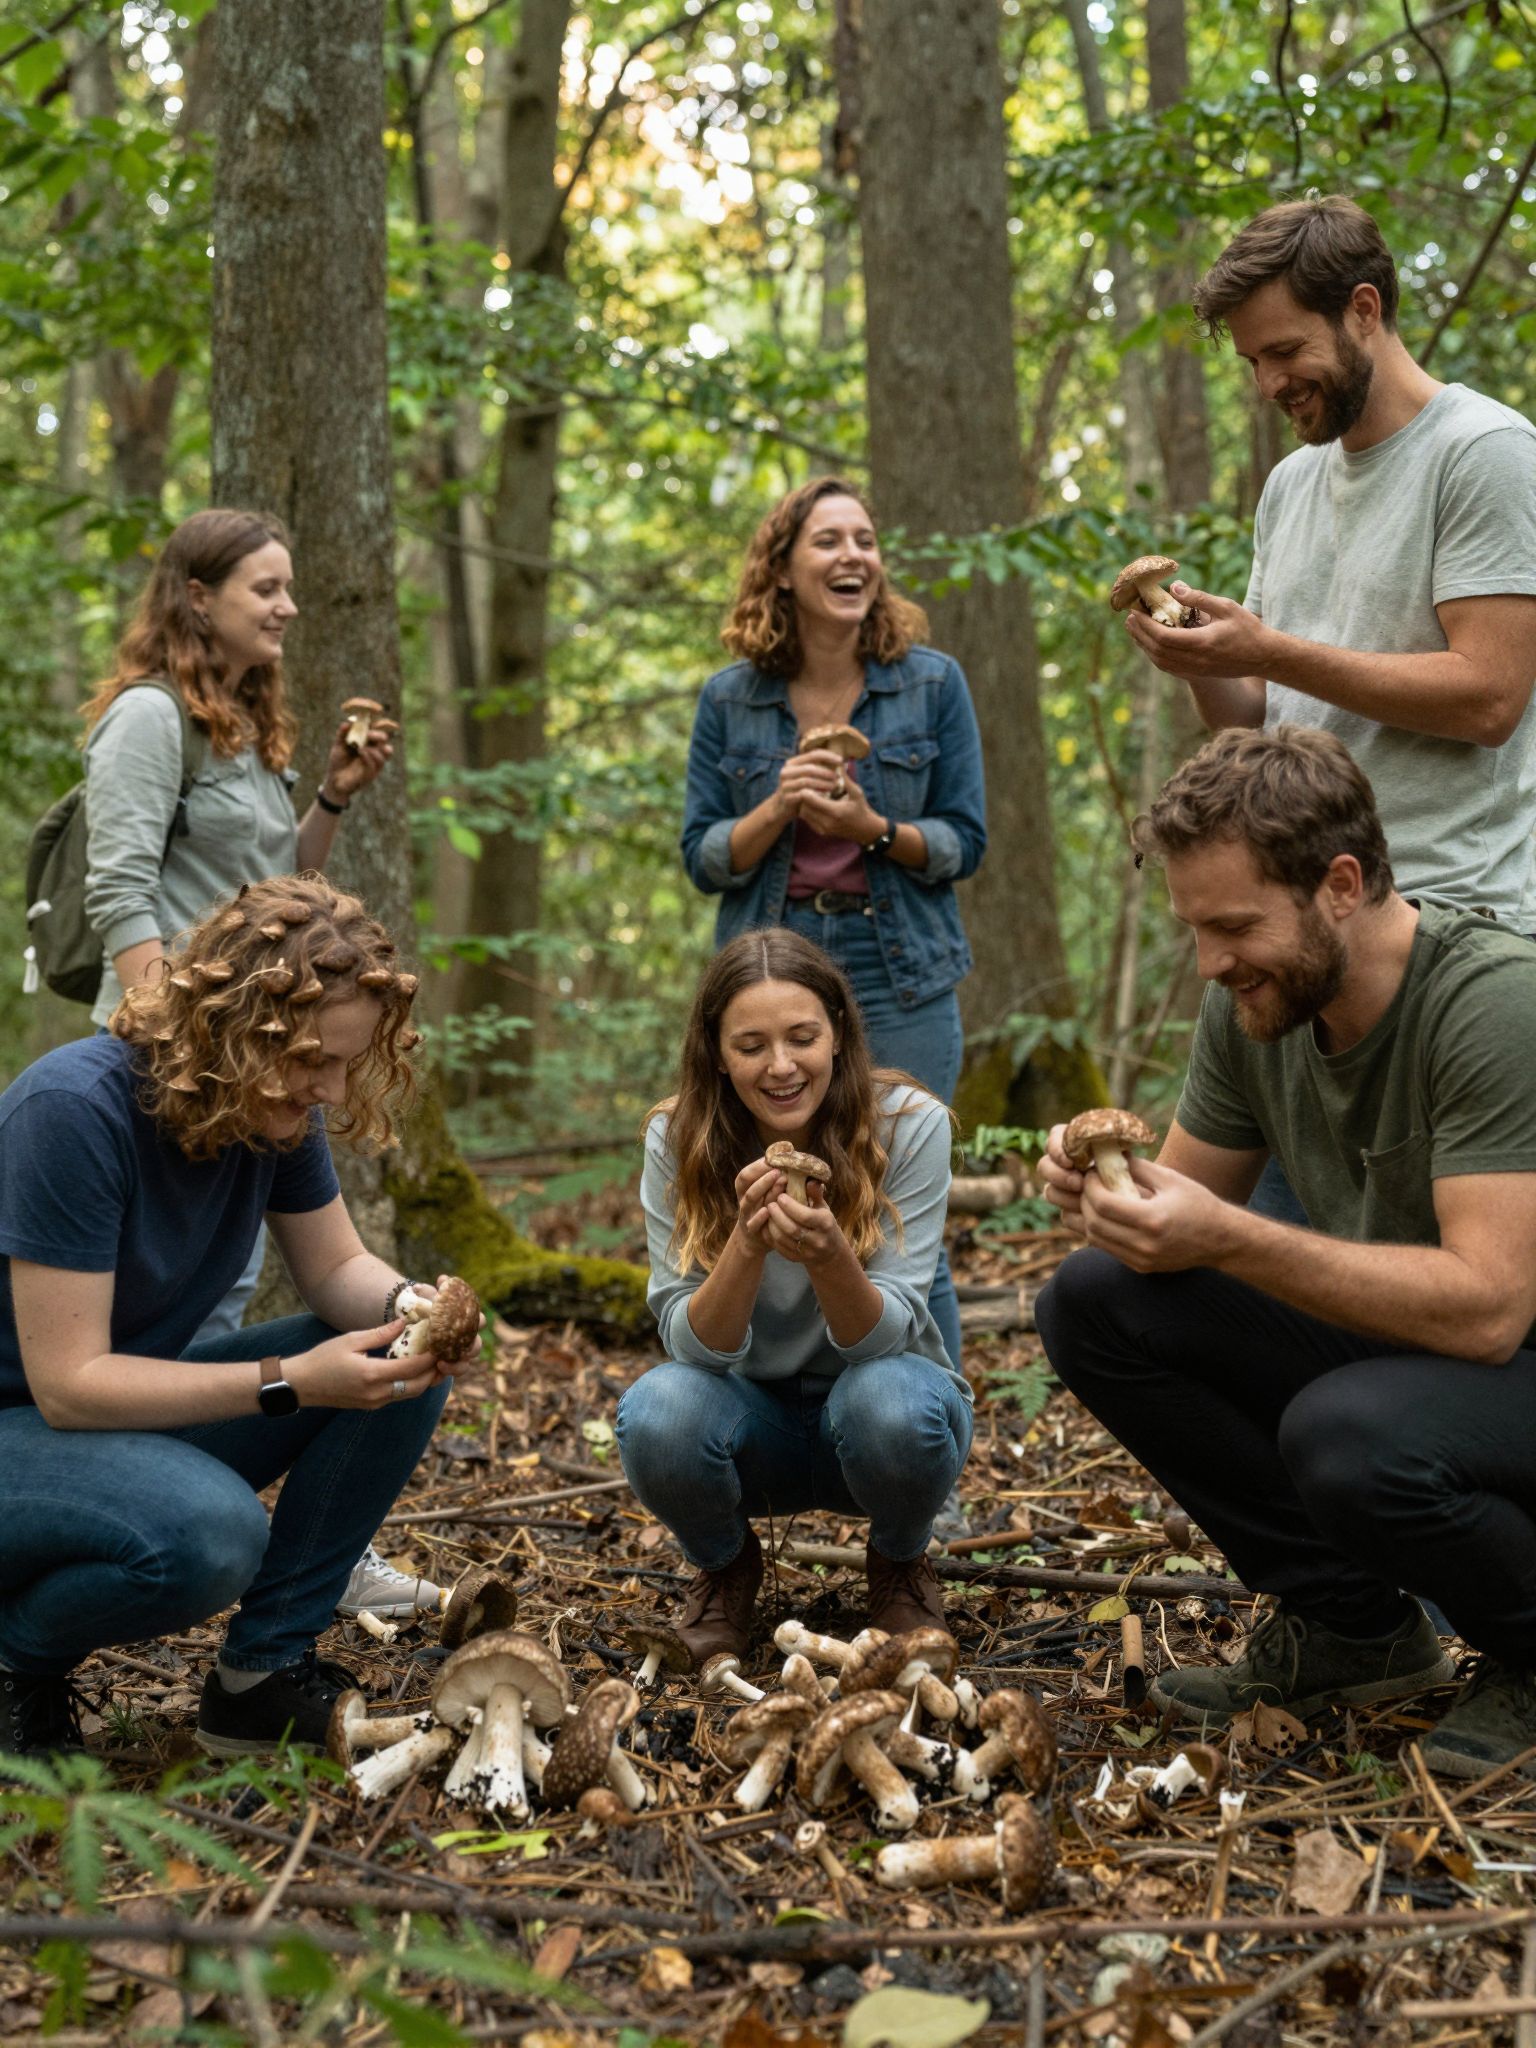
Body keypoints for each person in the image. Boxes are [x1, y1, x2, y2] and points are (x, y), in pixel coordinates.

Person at [1034, 726, 1536, 1779]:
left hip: (1510, 1356)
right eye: (1195, 930)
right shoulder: (1259, 1003)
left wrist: (1227, 1234)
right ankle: (1352, 1626)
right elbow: (1176, 1236)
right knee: (1095, 1299)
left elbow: (1491, 1307)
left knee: (1348, 1436)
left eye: (1234, 926)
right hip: (1426, 1353)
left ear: (1339, 885)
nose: (1213, 964)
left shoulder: (1491, 1002)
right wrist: (1112, 1196)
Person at [1124, 196, 1536, 1222]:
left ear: (1363, 310)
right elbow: (1261, 721)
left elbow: (1490, 693)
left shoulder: (1482, 452)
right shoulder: (1291, 487)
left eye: (1284, 351)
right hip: (1302, 932)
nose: (1268, 384)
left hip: (1448, 934)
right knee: (1225, 1282)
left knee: (1406, 1292)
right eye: (1252, 363)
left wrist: (1269, 643)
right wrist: (1203, 658)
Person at [0, 874, 462, 1760]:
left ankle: (259, 1677)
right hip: (29, 1428)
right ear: (230, 1029)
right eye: (308, 1061)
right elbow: (68, 1386)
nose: (328, 1088)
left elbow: (336, 1272)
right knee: (211, 1534)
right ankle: (17, 1655)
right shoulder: (72, 1113)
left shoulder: (272, 1110)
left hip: (105, 1429)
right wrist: (289, 1383)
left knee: (403, 1357)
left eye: (344, 1063)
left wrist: (413, 1304)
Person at [78, 508, 422, 1622]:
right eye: (264, 587)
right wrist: (174, 1039)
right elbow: (122, 887)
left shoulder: (242, 734)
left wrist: (327, 797)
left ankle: (274, 1535)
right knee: (160, 1308)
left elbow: (274, 895)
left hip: (255, 1054)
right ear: (196, 596)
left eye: (289, 588)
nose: (286, 607)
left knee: (217, 1304)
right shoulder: (146, 717)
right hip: (177, 1052)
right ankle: (143, 1510)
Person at [680, 476, 986, 1382]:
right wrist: (778, 806)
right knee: (763, 1192)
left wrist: (873, 831)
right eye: (828, 541)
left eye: (865, 539)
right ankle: (768, 1413)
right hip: (775, 973)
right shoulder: (731, 700)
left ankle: (927, 1439)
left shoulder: (931, 685)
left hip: (902, 972)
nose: (853, 555)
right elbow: (704, 857)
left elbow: (964, 841)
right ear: (781, 568)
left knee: (901, 1212)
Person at [615, 928, 973, 1660]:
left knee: (893, 1403)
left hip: (881, 1415)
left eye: (802, 1037)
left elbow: (889, 1338)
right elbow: (687, 1345)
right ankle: (725, 1567)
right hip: (753, 1426)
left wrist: (831, 1257)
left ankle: (901, 1561)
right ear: (717, 1052)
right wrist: (747, 1245)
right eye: (751, 1046)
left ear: (838, 1034)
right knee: (656, 1412)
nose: (781, 1067)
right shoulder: (675, 1136)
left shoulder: (910, 1124)